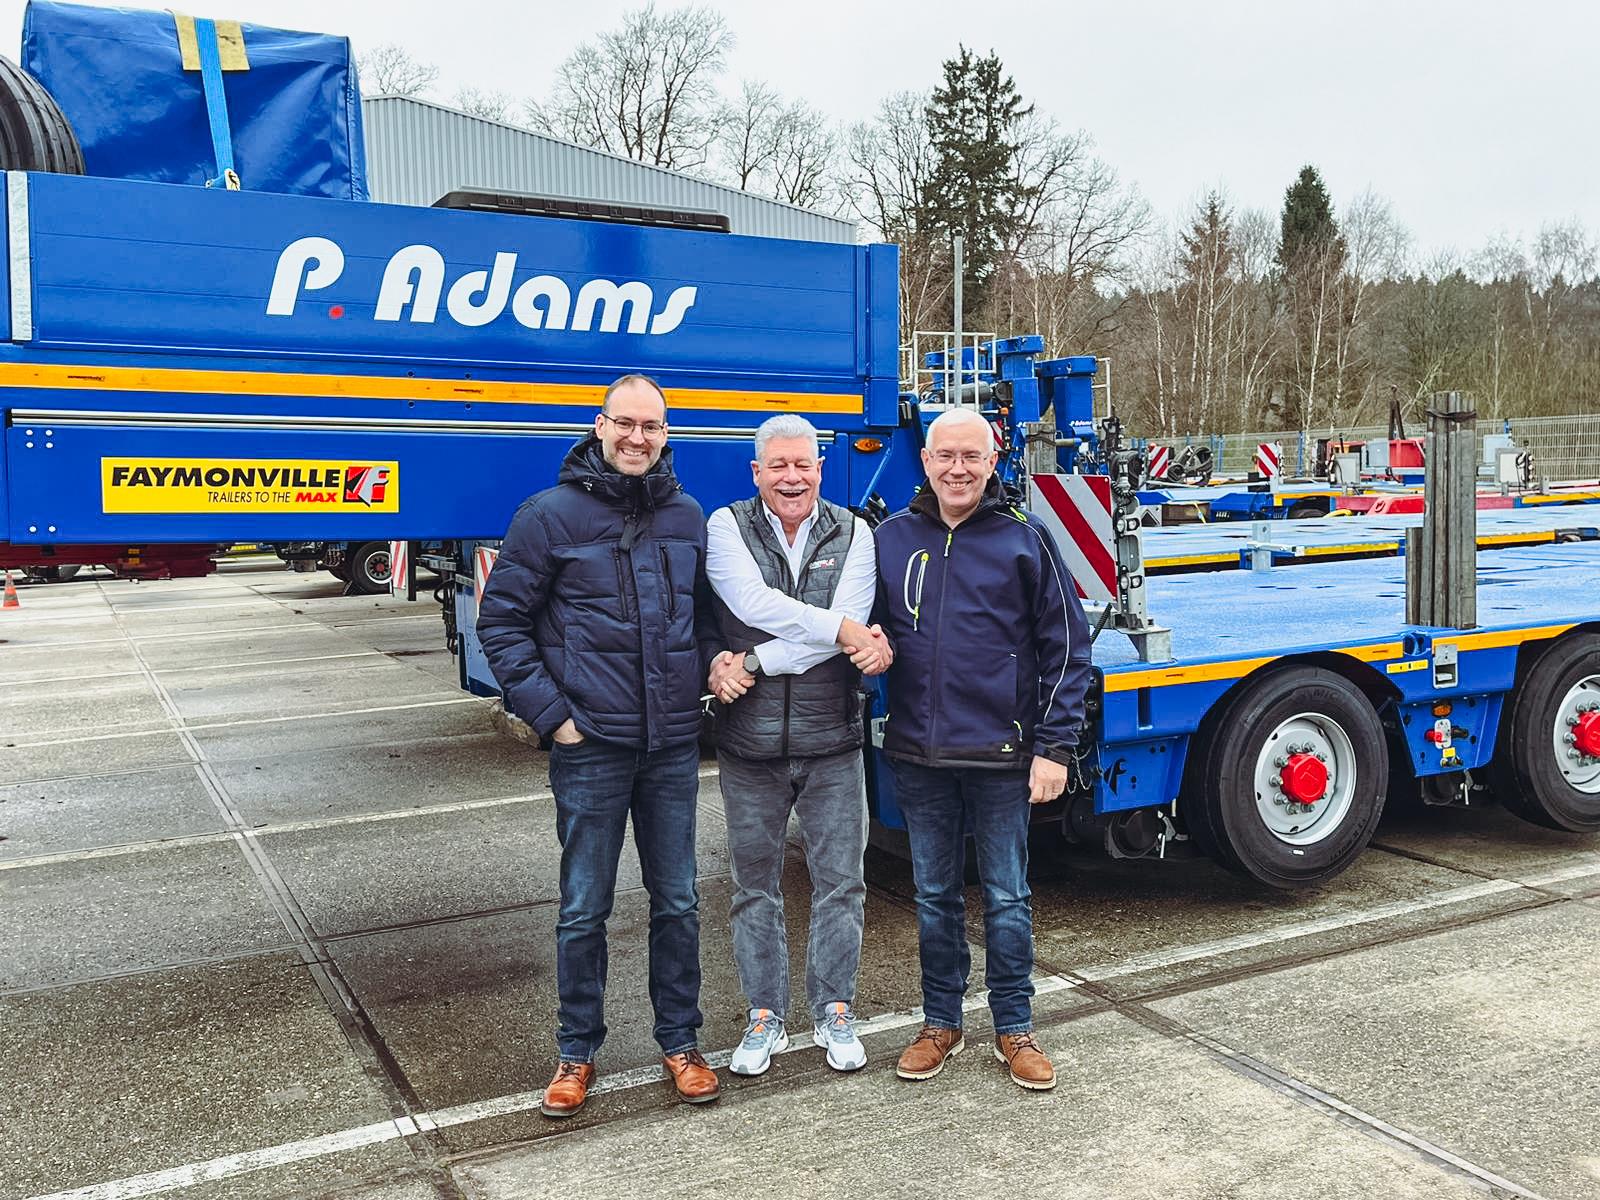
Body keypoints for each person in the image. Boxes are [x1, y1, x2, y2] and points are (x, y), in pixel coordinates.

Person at [477, 374, 720, 1118]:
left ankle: (681, 1042)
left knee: (678, 901)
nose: (638, 438)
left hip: (670, 746)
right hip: (591, 748)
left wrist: (706, 682)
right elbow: (501, 625)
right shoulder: (548, 515)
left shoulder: (685, 515)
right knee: (584, 908)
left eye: (652, 426)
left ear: (666, 434)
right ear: (600, 425)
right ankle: (576, 1052)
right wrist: (554, 717)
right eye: (627, 423)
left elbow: (704, 621)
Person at [871, 407, 1091, 1091]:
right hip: (920, 755)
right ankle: (941, 1022)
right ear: (926, 462)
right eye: (946, 456)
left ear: (993, 462)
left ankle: (1014, 1027)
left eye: (972, 456)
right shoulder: (891, 538)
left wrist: (1054, 748)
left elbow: (1068, 650)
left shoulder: (1026, 538)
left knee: (1006, 896)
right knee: (934, 896)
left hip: (1003, 756)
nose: (958, 469)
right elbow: (866, 631)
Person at [704, 414, 892, 1078]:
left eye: (803, 465)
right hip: (748, 746)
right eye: (778, 466)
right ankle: (765, 1017)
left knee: (842, 883)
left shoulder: (855, 532)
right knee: (753, 888)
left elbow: (839, 632)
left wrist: (753, 662)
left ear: (820, 468)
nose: (792, 477)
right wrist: (841, 629)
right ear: (757, 472)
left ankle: (834, 1010)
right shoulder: (726, 526)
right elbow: (751, 602)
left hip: (832, 739)